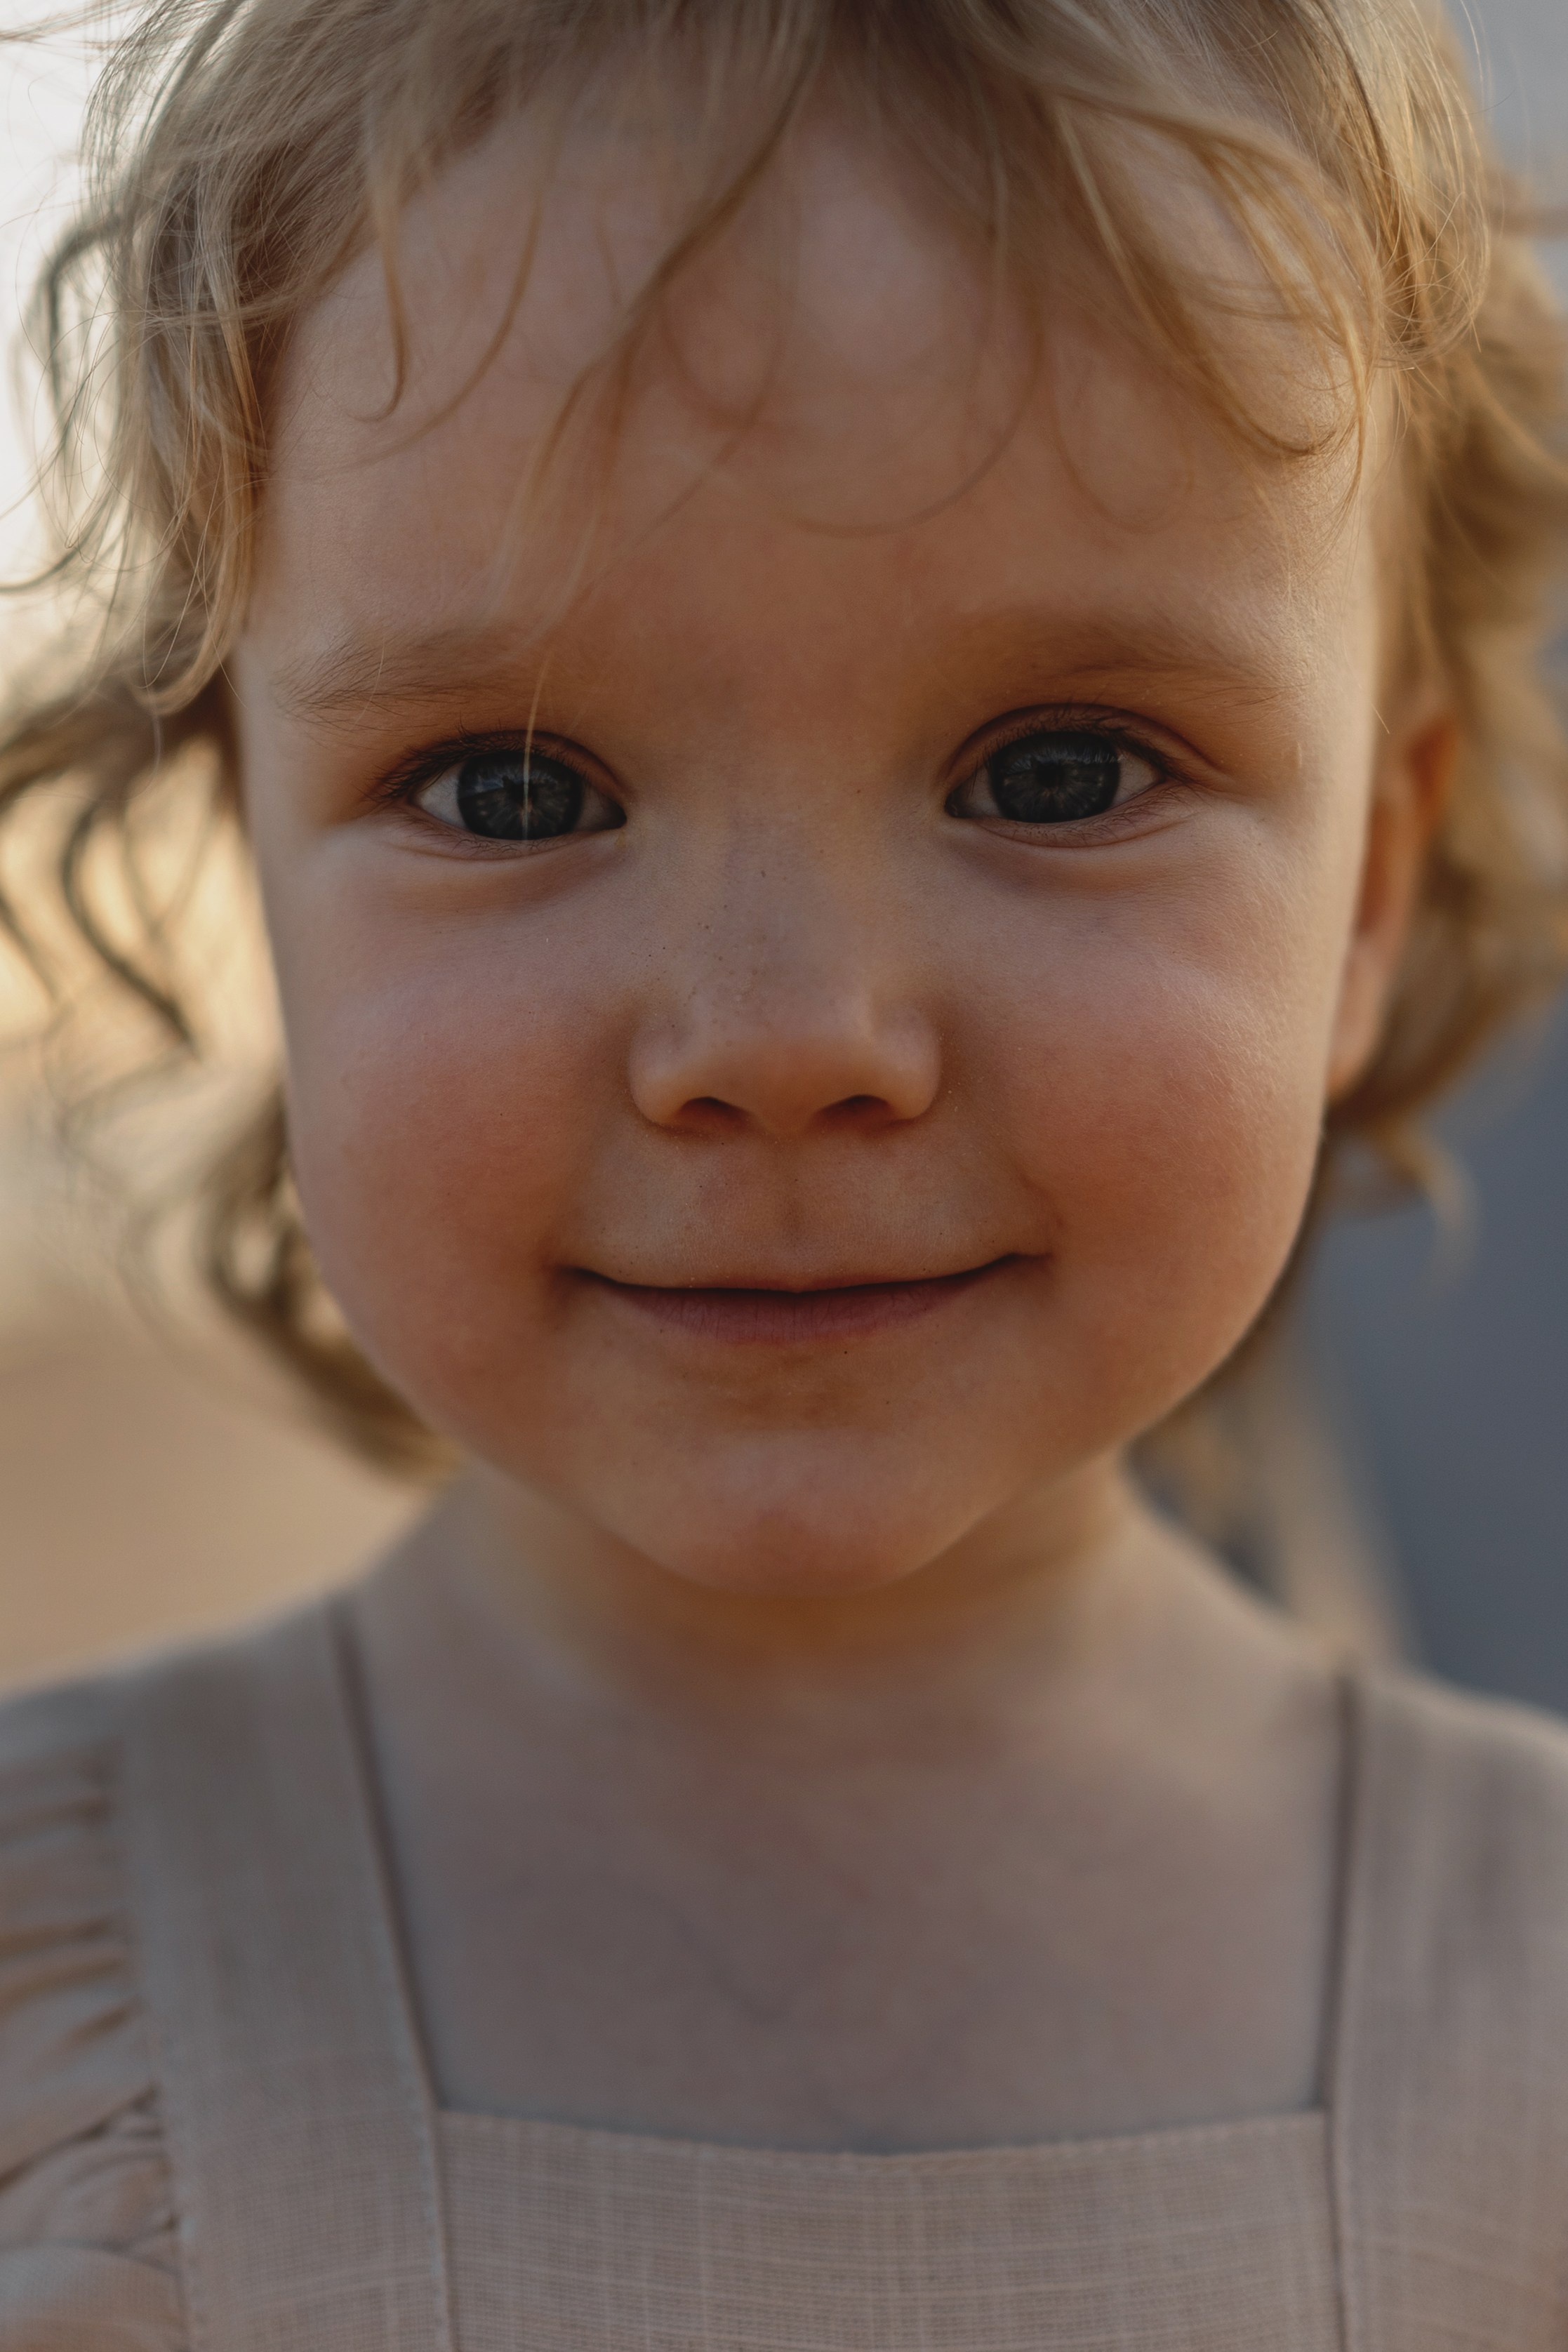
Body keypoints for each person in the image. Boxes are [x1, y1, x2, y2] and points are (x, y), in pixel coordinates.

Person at [1, 0, 1566, 2343]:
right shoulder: (52, 2007)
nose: (784, 1038)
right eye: (514, 793)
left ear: (1362, 886)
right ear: (254, 852)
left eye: (1055, 772)